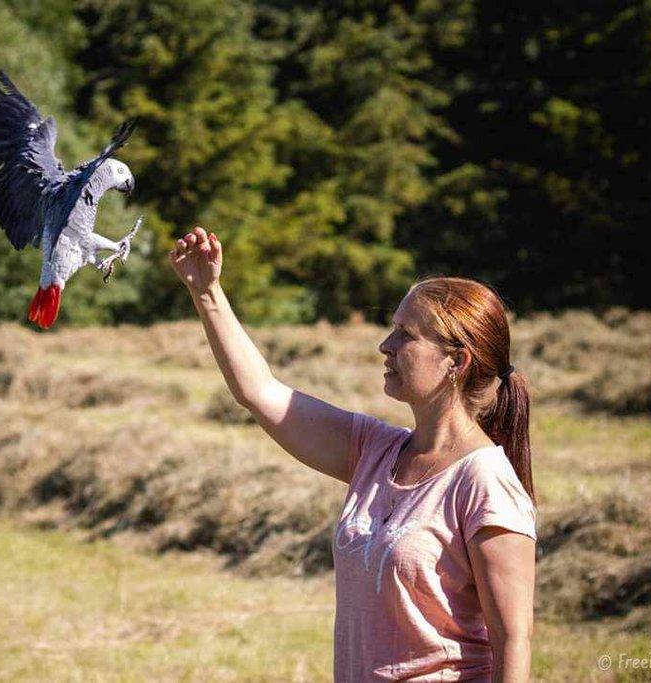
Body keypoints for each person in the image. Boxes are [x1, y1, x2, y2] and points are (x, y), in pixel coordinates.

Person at [168, 226, 537, 682]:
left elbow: (513, 640)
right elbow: (260, 392)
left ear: (455, 363)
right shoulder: (374, 450)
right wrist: (207, 294)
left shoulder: (483, 482)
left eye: (406, 334)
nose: (386, 344)